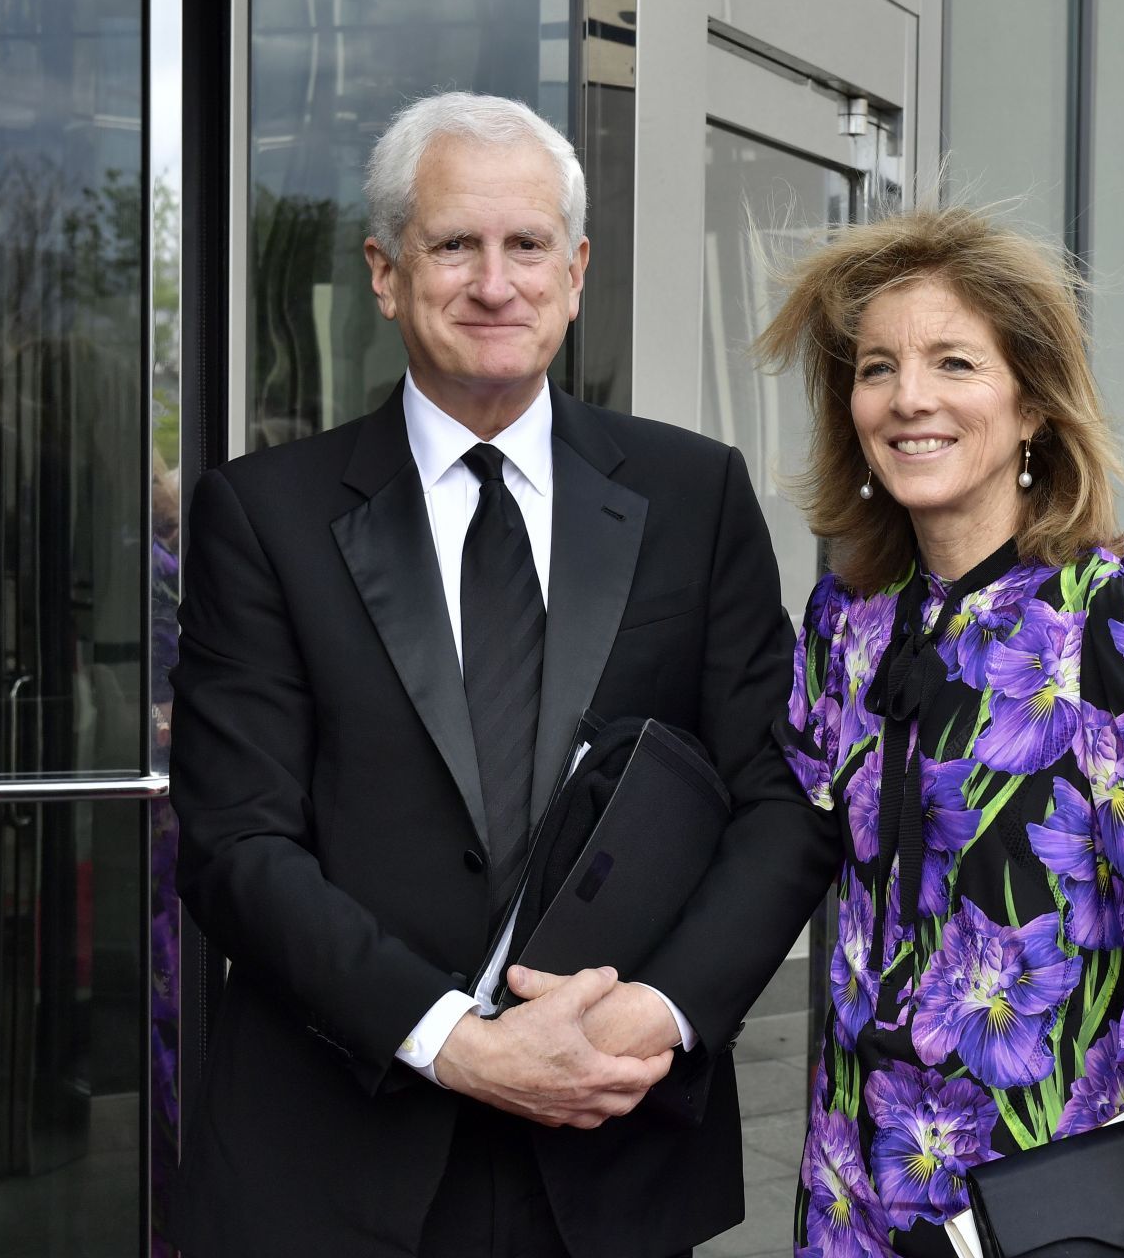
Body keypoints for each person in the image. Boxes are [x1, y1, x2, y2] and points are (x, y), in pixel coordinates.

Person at [169, 93, 837, 1257]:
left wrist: (656, 1013)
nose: (495, 281)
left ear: (575, 271)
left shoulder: (696, 497)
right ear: (384, 272)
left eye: (527, 243)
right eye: (453, 244)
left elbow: (775, 802)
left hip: (610, 1146)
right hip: (336, 1160)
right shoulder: (261, 515)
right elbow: (236, 843)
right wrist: (457, 1039)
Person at [759, 206, 1124, 1258]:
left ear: (1033, 403)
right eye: (876, 369)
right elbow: (783, 840)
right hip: (859, 1178)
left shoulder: (1112, 613)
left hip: (1051, 1181)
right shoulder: (845, 621)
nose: (910, 399)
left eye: (955, 362)